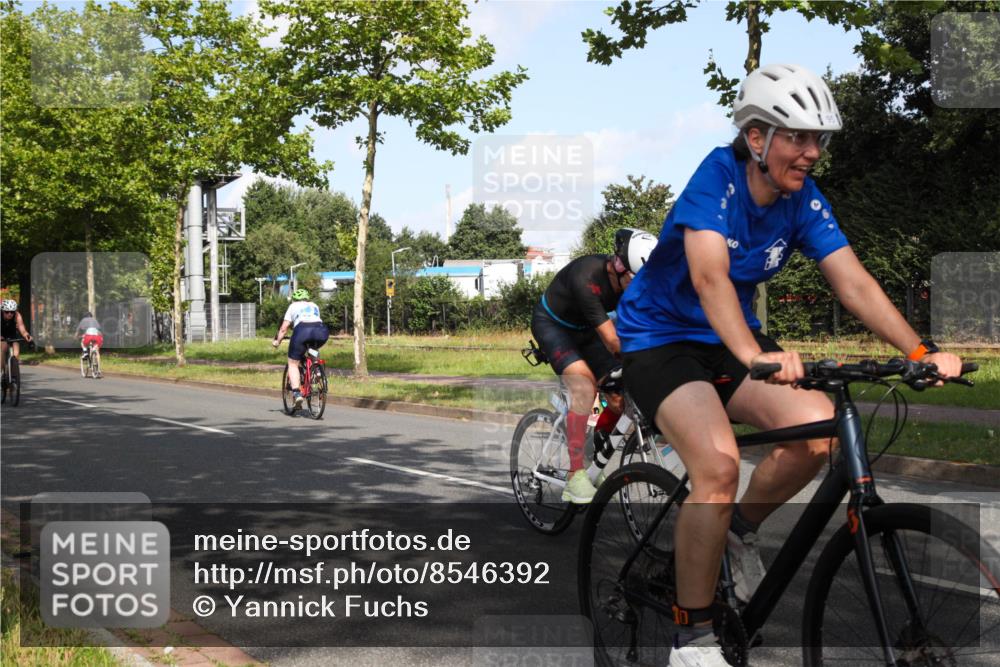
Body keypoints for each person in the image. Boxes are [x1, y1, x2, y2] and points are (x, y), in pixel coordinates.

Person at [615, 64, 962, 667]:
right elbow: (708, 275)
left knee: (821, 435)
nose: (812, 153)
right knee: (718, 466)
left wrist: (920, 351)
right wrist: (755, 356)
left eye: (818, 139)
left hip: (730, 338)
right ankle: (691, 639)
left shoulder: (803, 200)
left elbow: (852, 282)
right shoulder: (715, 181)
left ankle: (737, 534)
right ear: (757, 138)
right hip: (660, 338)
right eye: (798, 137)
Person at [530, 228, 658, 503]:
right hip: (553, 326)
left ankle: (593, 454)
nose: (640, 287)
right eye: (636, 279)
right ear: (620, 266)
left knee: (620, 395)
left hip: (586, 328)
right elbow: (613, 341)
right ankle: (575, 477)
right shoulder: (586, 277)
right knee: (585, 388)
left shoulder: (630, 278)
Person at [271, 289, 330, 409]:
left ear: (294, 299)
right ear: (307, 298)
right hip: (321, 331)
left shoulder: (293, 306)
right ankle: (317, 371)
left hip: (302, 331)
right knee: (312, 348)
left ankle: (297, 393)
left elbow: (284, 328)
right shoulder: (314, 305)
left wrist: (277, 341)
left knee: (293, 363)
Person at [1, 300, 33, 371]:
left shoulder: (17, 315)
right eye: (7, 312)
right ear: (3, 311)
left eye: (12, 312)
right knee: (3, 347)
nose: (10, 314)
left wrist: (26, 335)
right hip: (1, 334)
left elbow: (21, 327)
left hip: (12, 334)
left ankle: (14, 373)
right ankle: (1, 369)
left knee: (16, 353)